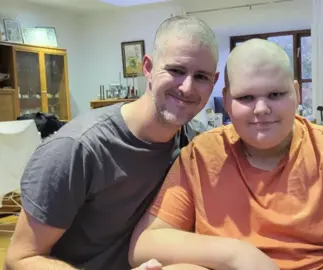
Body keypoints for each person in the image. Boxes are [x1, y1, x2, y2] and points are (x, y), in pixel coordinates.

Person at [129, 38, 323, 270]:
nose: (261, 109)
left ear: (297, 93)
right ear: (228, 102)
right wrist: (238, 254)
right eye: (246, 98)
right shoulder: (200, 157)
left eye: (275, 95)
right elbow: (144, 244)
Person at [4, 15, 219, 270]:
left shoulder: (196, 144)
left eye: (201, 77)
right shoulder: (76, 149)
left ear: (214, 82)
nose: (187, 87)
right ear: (148, 68)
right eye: (176, 70)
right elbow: (20, 259)